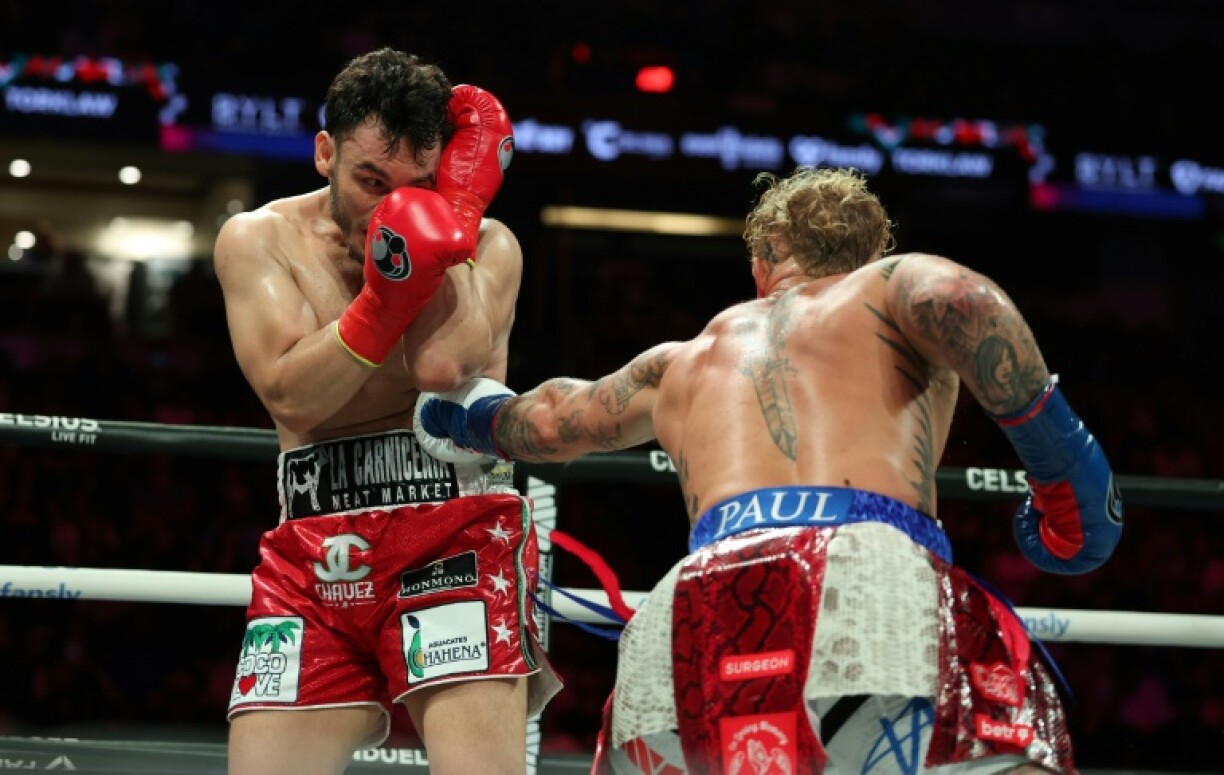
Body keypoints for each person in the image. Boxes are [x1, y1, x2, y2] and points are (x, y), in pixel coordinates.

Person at [413, 166, 1123, 773]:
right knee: (1016, 742)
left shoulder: (681, 358)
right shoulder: (887, 289)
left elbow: (547, 421)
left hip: (701, 605)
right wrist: (1068, 475)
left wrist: (463, 415)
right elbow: (966, 301)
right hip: (864, 581)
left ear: (761, 265)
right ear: (870, 251)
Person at [213, 47, 560, 775]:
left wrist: (448, 227)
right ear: (323, 153)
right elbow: (291, 396)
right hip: (313, 549)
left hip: (453, 537)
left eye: (419, 188)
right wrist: (383, 299)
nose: (392, 207)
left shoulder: (491, 245)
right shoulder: (258, 240)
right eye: (372, 180)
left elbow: (443, 367)